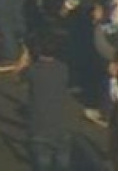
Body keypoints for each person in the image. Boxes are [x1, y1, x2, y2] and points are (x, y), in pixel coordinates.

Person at [25, 34, 72, 171]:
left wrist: (24, 60)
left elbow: (17, 78)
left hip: (39, 128)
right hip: (61, 127)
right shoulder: (63, 68)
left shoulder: (33, 70)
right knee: (63, 164)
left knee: (42, 164)